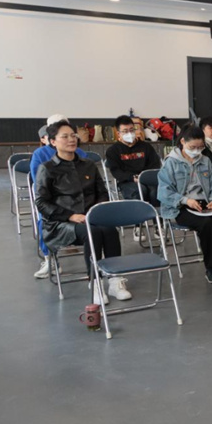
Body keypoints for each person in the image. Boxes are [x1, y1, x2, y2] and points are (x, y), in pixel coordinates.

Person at [34, 121, 132, 305]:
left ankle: (115, 280)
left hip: (91, 217)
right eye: (65, 136)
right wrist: (70, 216)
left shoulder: (88, 165)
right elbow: (41, 202)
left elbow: (102, 193)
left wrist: (97, 211)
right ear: (52, 142)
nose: (71, 139)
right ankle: (94, 282)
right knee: (92, 232)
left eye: (73, 135)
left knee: (110, 230)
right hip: (61, 223)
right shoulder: (47, 168)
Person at [158, 125, 212, 284]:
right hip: (180, 206)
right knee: (206, 225)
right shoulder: (171, 162)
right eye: (193, 147)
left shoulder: (205, 161)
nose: (196, 151)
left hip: (204, 203)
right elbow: (164, 192)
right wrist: (186, 200)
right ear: (183, 142)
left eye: (200, 147)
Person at [30, 115, 88, 279]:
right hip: (55, 201)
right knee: (43, 221)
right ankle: (50, 260)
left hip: (78, 200)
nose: (69, 138)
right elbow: (39, 183)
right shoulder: (40, 153)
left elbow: (87, 181)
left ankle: (98, 262)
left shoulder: (80, 153)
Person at [105, 115, 162, 203]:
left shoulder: (146, 147)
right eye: (125, 131)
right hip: (127, 181)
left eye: (131, 130)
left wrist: (145, 177)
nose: (129, 133)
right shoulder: (113, 151)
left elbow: (154, 165)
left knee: (156, 192)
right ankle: (139, 212)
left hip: (147, 179)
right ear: (118, 133)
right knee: (140, 191)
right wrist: (132, 178)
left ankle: (157, 212)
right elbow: (117, 172)